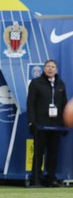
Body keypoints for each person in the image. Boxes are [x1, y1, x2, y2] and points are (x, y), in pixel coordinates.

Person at [27, 59, 67, 187]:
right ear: (44, 69)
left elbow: (64, 105)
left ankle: (51, 178)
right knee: (39, 153)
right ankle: (36, 179)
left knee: (53, 152)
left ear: (56, 70)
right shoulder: (36, 83)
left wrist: (65, 123)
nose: (50, 69)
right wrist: (32, 122)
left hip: (56, 125)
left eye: (53, 67)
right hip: (40, 124)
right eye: (48, 66)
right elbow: (30, 103)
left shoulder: (61, 84)